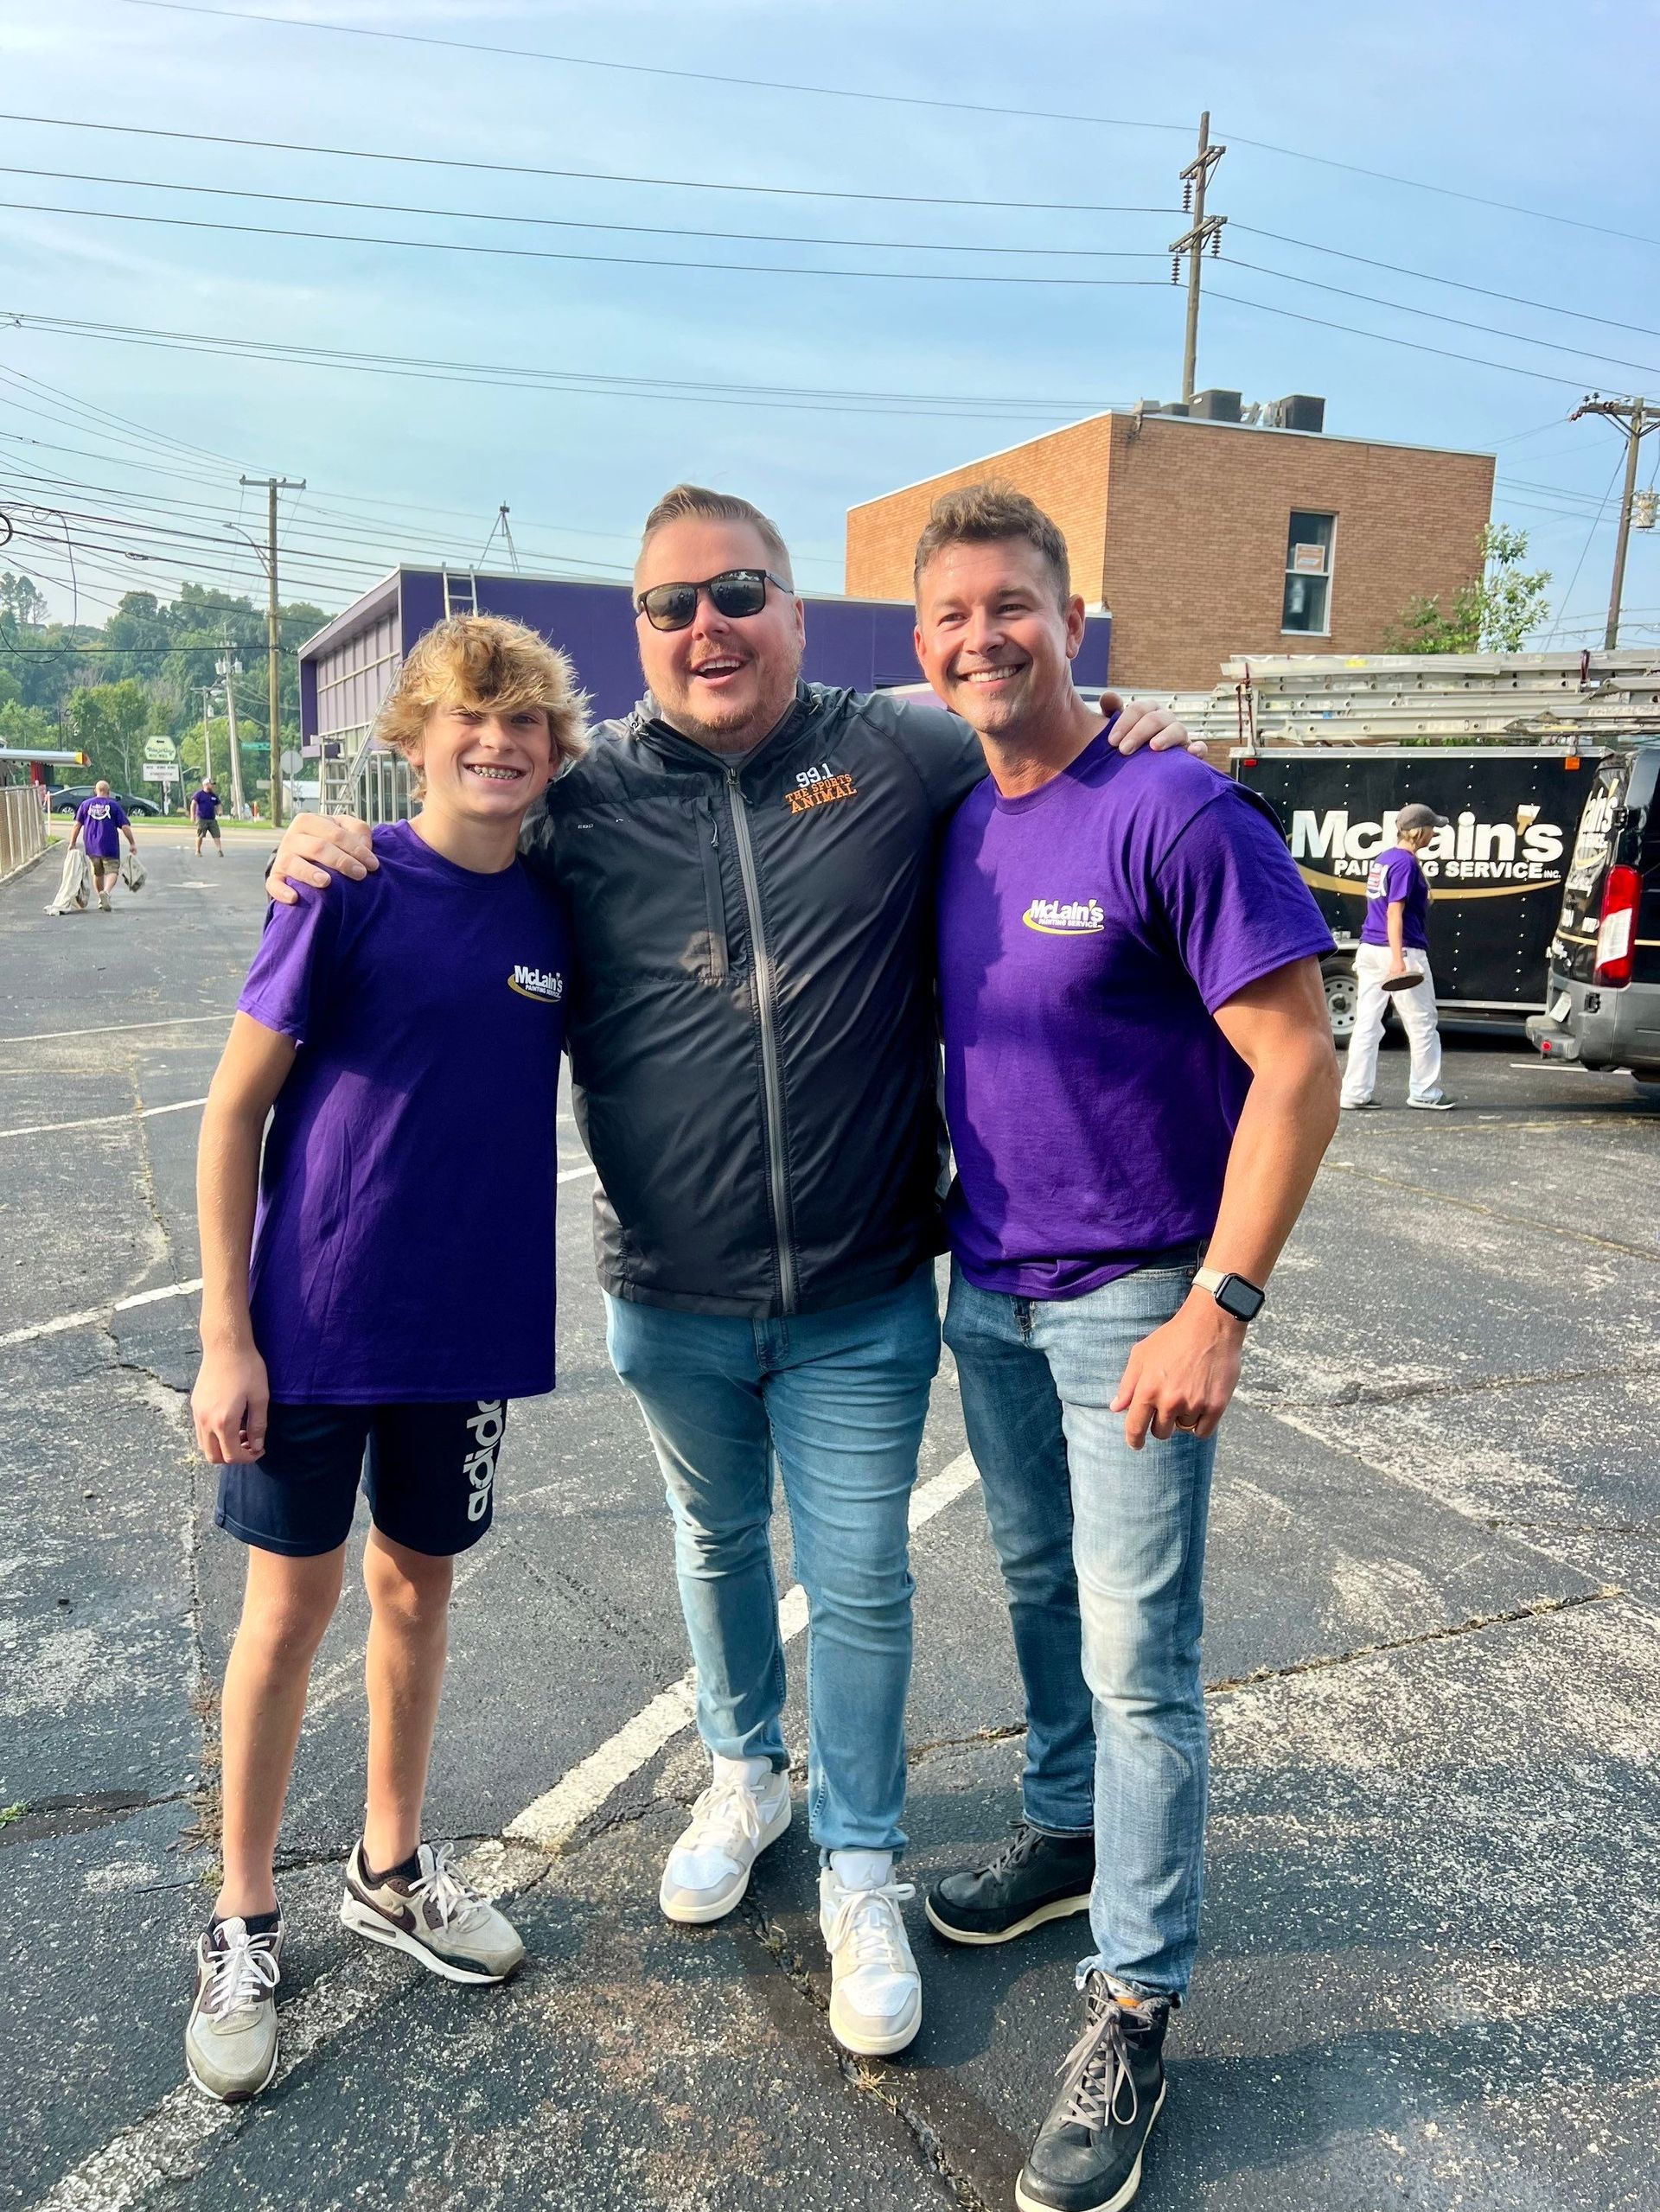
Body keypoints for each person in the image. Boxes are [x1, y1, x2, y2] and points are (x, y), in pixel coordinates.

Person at [268, 485, 1195, 2062]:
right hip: (668, 1286)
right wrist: (319, 838)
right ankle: (743, 1769)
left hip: (859, 1286)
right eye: (670, 605)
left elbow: (1031, 713)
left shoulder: (889, 746)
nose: (707, 625)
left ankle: (860, 1861)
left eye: (740, 591)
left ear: (792, 611)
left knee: (864, 1583)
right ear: (635, 635)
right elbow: (450, 840)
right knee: (710, 1543)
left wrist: (1143, 722)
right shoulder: (584, 788)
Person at [911, 484, 1339, 2212]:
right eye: (950, 616)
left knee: (1139, 1652)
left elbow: (1300, 1064)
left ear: (1070, 621)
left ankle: (1137, 1995)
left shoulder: (1173, 806)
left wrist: (1219, 1305)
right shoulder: (958, 812)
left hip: (1136, 1307)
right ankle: (1067, 1836)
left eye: (1010, 607)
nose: (980, 638)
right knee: (1033, 1591)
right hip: (989, 1288)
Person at [184, 616, 584, 2104]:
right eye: (471, 717)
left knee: (417, 1590)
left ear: (554, 752)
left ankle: (391, 1865)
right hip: (312, 1324)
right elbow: (232, 1115)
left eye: (527, 722)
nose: (500, 741)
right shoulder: (341, 886)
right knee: (286, 1613)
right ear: (413, 734)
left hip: (462, 1328)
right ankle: (240, 1913)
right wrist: (227, 1335)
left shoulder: (555, 912)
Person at [1340, 801, 1453, 1112]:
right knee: (1422, 1023)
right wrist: (1398, 959)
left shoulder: (1384, 858)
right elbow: (1394, 912)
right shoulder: (1404, 863)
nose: (1434, 833)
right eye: (1432, 828)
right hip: (1399, 950)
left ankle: (1354, 1092)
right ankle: (1425, 1092)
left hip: (1369, 948)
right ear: (1420, 832)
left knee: (1367, 1024)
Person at [69, 781, 136, 912]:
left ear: (96, 790)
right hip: (109, 845)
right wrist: (132, 843)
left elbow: (77, 825)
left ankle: (101, 899)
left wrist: (72, 843)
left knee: (97, 873)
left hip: (91, 846)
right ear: (108, 792)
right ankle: (106, 892)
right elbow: (125, 827)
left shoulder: (86, 805)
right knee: (112, 871)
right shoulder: (113, 805)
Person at [191, 778, 224, 856]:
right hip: (202, 819)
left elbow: (218, 804)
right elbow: (193, 804)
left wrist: (220, 811)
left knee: (216, 835)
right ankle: (198, 850)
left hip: (212, 819)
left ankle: (219, 850)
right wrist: (192, 816)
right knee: (200, 835)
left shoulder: (213, 796)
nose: (212, 786)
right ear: (206, 785)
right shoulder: (199, 794)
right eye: (211, 784)